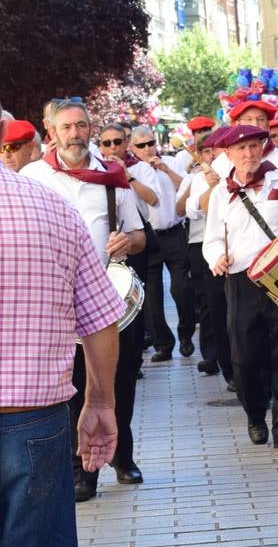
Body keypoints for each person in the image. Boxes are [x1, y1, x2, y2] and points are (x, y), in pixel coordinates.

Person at [0, 160, 125, 547]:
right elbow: (99, 316)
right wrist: (101, 400)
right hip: (34, 421)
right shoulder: (50, 206)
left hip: (33, 421)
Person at [22, 97, 148, 502]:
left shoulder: (113, 176)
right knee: (72, 384)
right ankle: (83, 471)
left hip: (106, 297)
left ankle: (122, 457)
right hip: (55, 300)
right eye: (67, 127)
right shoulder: (33, 177)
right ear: (52, 131)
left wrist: (129, 240)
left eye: (81, 126)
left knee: (118, 379)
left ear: (90, 129)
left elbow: (142, 235)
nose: (75, 134)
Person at [201, 125, 278, 452]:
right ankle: (255, 413)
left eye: (254, 147)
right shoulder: (220, 193)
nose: (249, 154)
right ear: (229, 154)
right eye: (241, 149)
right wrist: (216, 257)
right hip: (241, 280)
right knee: (244, 357)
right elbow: (210, 239)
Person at [129, 124, 196, 363]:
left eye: (151, 143)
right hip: (150, 237)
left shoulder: (171, 162)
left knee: (182, 288)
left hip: (175, 232)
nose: (148, 149)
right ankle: (163, 344)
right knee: (151, 295)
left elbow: (188, 188)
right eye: (141, 145)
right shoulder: (132, 171)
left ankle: (186, 334)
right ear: (132, 147)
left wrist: (165, 168)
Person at [182, 130, 234, 388]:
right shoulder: (202, 178)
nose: (218, 154)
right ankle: (228, 367)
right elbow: (195, 210)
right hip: (209, 248)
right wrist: (214, 186)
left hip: (241, 250)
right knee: (216, 308)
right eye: (213, 150)